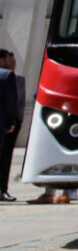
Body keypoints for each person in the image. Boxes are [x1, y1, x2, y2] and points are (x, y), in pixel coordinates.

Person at [0, 49, 25, 201]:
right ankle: (2, 189)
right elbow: (12, 103)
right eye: (10, 59)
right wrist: (13, 121)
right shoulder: (7, 76)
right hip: (5, 124)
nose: (14, 63)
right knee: (4, 157)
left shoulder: (17, 78)